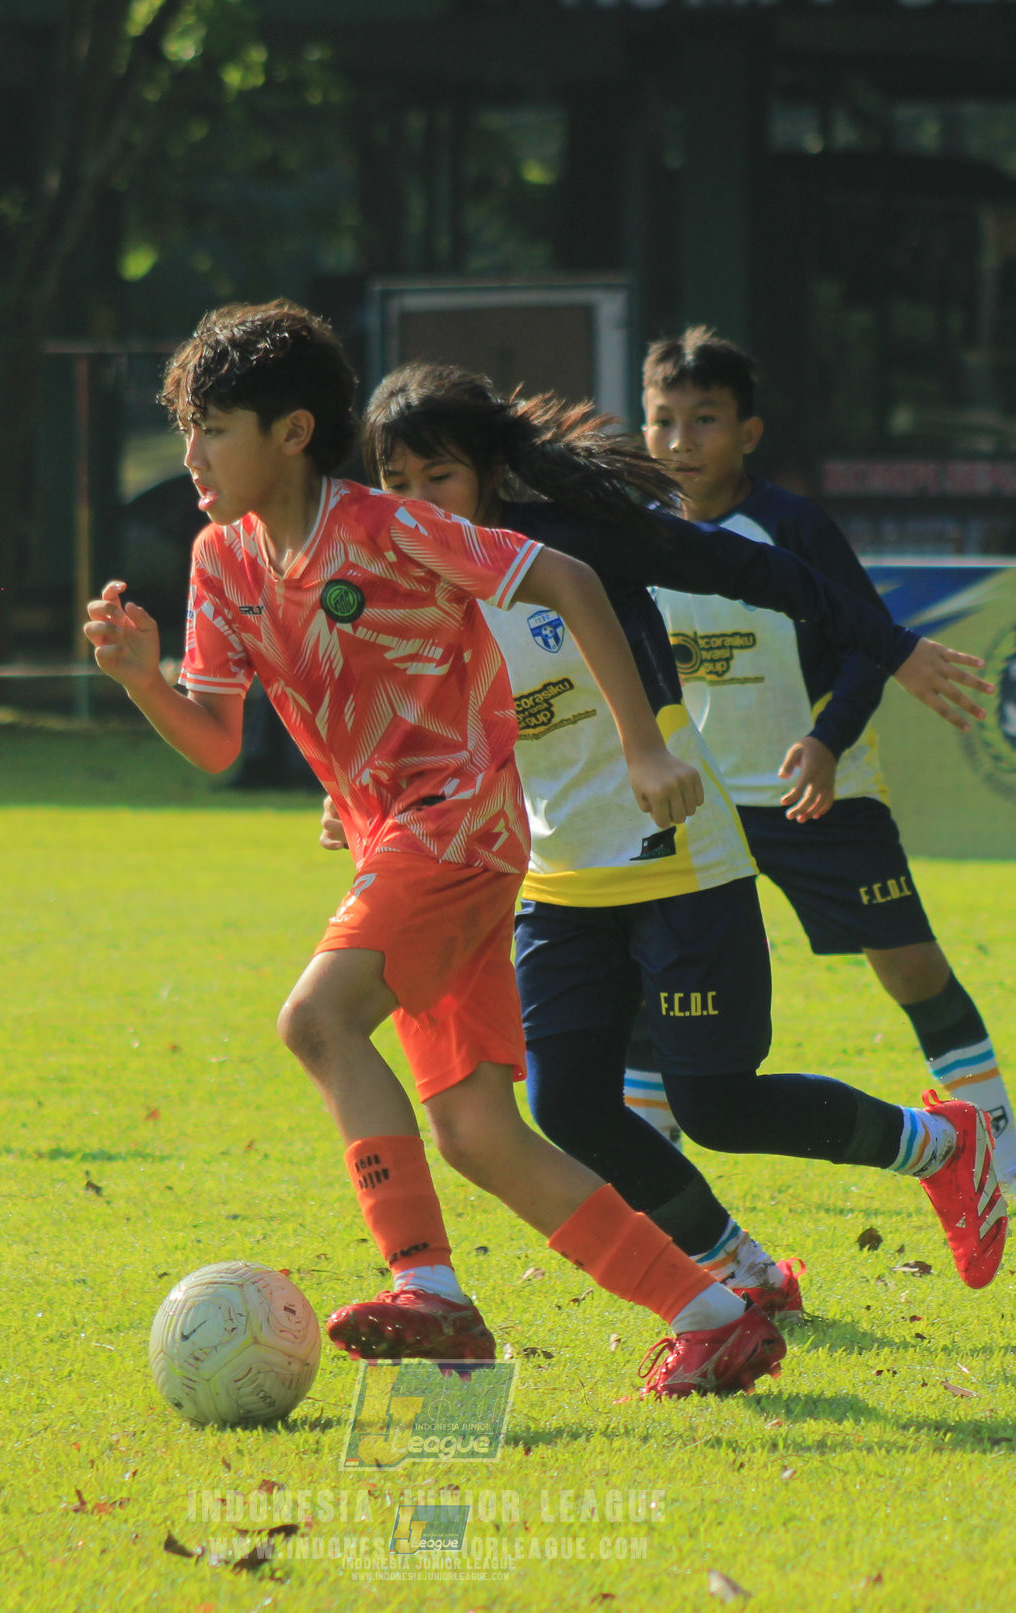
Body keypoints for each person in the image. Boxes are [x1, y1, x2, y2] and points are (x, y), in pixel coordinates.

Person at [86, 301, 777, 1397]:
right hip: (393, 845)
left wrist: (643, 747)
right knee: (474, 1132)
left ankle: (432, 1295)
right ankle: (714, 1310)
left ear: (293, 432)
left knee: (315, 1020)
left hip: (458, 823)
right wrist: (141, 681)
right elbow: (216, 740)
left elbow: (568, 579)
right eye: (188, 431)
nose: (192, 456)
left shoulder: (387, 526)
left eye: (214, 428)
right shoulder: (220, 560)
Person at [351, 362, 1008, 1306]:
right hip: (558, 880)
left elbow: (759, 570)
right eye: (396, 483)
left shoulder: (575, 546)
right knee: (567, 1105)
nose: (418, 504)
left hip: (678, 863)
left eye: (439, 477)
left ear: (492, 472)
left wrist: (891, 647)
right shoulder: (403, 586)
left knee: (718, 1108)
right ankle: (742, 1271)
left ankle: (943, 1142)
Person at [638, 327, 1016, 1202]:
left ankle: (1007, 1153)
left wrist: (827, 742)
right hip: (693, 800)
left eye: (705, 420)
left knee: (908, 964)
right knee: (657, 974)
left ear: (748, 433)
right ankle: (645, 1165)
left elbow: (870, 645)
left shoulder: (793, 526)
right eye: (662, 420)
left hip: (813, 790)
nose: (681, 441)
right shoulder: (629, 536)